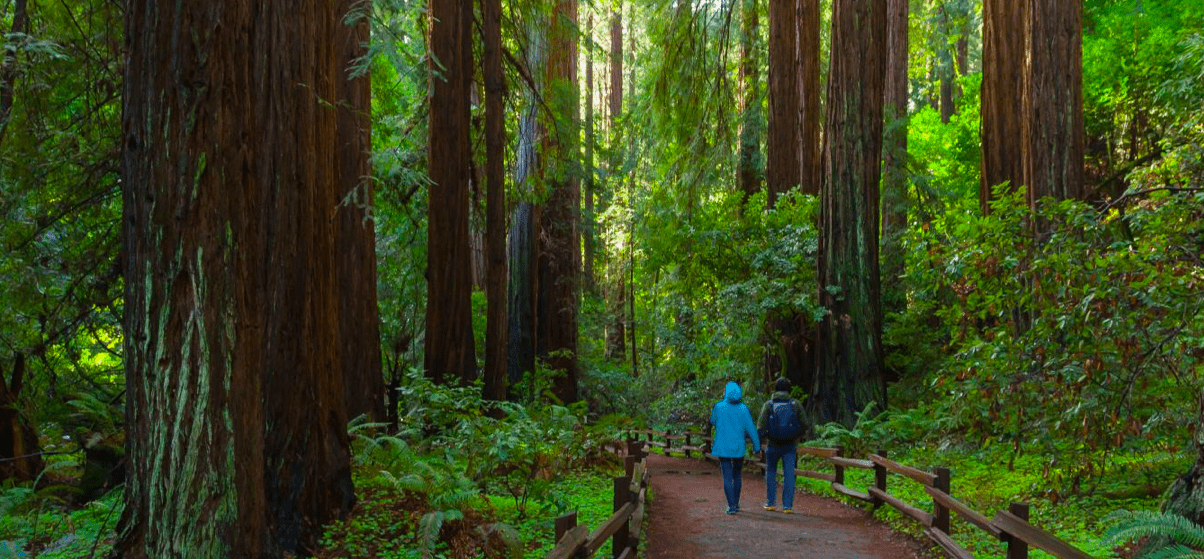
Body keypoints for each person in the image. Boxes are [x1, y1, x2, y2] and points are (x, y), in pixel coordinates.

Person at [709, 381, 761, 515]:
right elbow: (751, 428)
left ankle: (731, 506)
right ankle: (736, 503)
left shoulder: (719, 407)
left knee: (727, 476)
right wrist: (757, 446)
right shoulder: (743, 408)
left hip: (723, 447)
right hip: (739, 447)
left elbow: (712, 421)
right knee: (737, 475)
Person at [757, 377, 807, 513]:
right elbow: (805, 424)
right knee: (789, 473)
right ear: (788, 389)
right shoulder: (795, 404)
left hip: (772, 444)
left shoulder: (769, 405)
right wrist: (796, 435)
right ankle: (787, 506)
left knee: (771, 472)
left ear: (775, 389)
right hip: (790, 445)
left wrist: (763, 437)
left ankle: (771, 502)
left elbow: (761, 426)